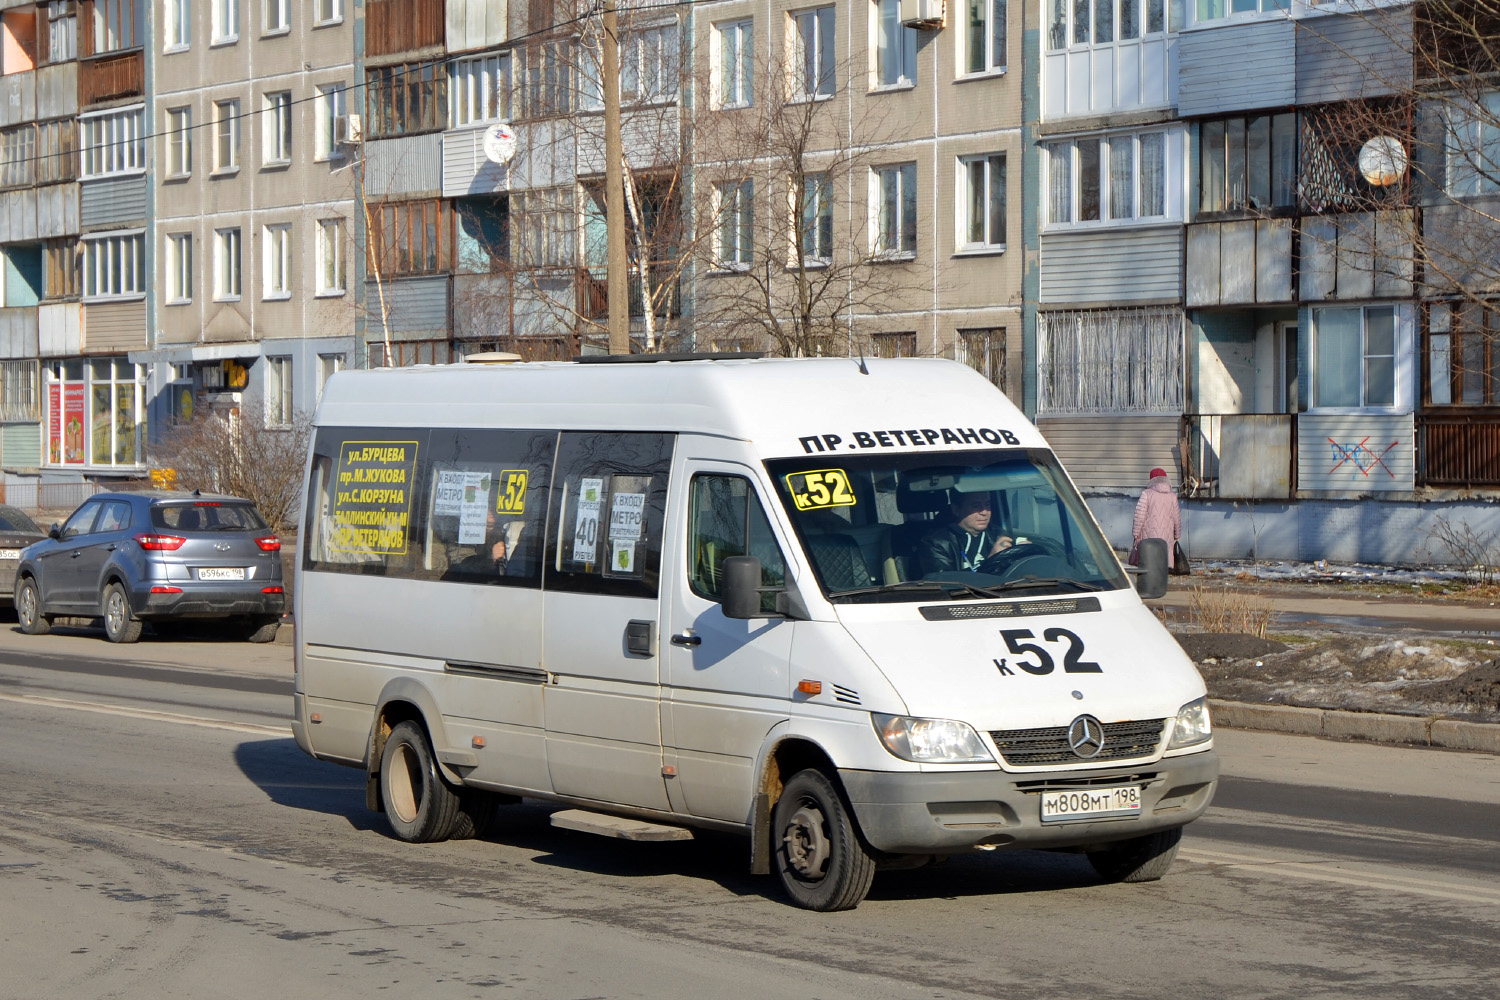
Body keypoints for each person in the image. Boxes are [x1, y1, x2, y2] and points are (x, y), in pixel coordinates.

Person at [917, 491, 1013, 575]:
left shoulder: (998, 535)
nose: (984, 512)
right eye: (976, 506)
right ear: (956, 510)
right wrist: (991, 561)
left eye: (987, 505)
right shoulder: (936, 543)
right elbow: (945, 583)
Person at [1132, 467, 1182, 570]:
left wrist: (1135, 533)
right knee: (1163, 560)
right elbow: (1177, 518)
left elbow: (1139, 516)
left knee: (1149, 560)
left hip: (1148, 535)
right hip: (1167, 536)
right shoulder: (1172, 496)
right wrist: (1177, 535)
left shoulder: (1146, 494)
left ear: (1151, 479)